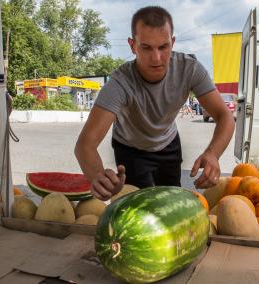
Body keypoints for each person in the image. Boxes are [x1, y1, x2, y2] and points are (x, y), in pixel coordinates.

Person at [74, 6, 235, 201]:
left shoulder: (190, 69)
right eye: (146, 47)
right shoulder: (119, 83)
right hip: (130, 149)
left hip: (168, 144)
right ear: (133, 46)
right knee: (141, 207)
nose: (156, 58)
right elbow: (85, 145)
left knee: (171, 202)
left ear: (172, 42)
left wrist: (213, 154)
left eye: (163, 47)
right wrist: (98, 177)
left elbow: (225, 116)